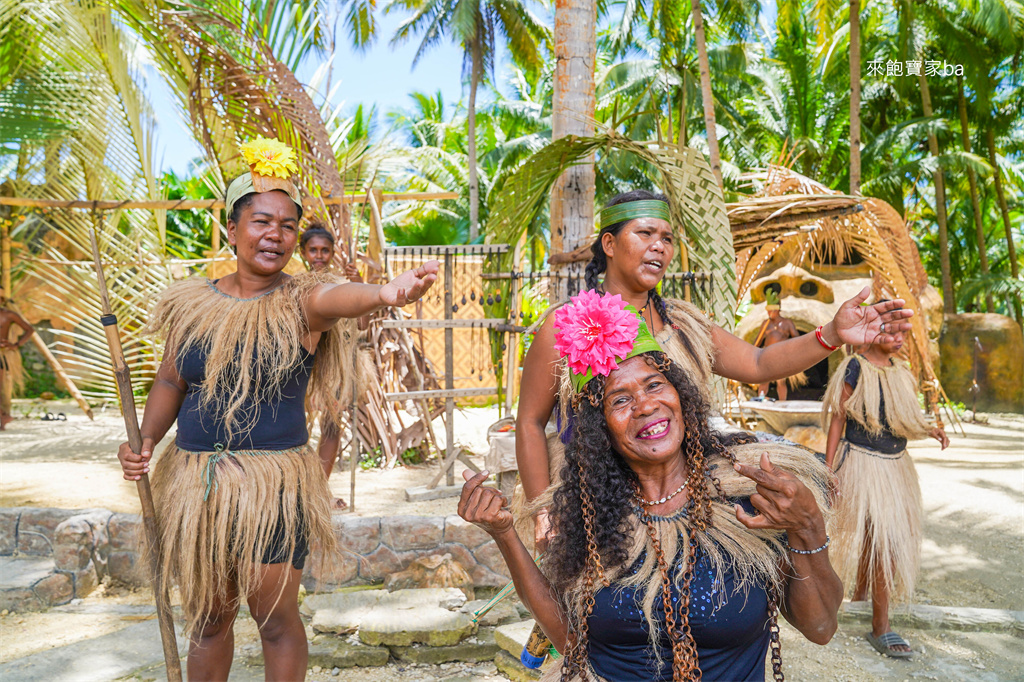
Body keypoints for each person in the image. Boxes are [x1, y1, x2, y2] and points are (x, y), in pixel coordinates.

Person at [115, 137, 438, 680]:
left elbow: (340, 297)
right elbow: (171, 378)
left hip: (274, 485)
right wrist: (145, 440)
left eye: (288, 225)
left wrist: (383, 293)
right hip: (197, 482)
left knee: (274, 619)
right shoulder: (191, 302)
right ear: (231, 229)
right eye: (262, 221)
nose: (276, 235)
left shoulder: (302, 300)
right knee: (209, 620)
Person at [460, 291, 842, 681]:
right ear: (599, 428)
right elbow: (573, 641)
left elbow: (821, 628)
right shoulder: (589, 515)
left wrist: (807, 523)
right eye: (620, 400)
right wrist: (505, 534)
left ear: (681, 394)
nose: (644, 405)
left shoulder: (747, 497)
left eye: (655, 386)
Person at [515, 190, 915, 553]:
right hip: (596, 502)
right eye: (645, 233)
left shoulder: (684, 325)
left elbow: (759, 364)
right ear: (609, 243)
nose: (660, 246)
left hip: (681, 499)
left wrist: (830, 333)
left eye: (667, 238)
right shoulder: (568, 326)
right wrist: (543, 511)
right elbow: (530, 422)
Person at [822, 328, 948, 659]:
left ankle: (863, 599)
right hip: (862, 462)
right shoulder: (855, 367)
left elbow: (904, 419)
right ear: (874, 331)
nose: (899, 337)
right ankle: (881, 626)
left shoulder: (901, 372)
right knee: (883, 540)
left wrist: (929, 428)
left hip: (895, 465)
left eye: (903, 332)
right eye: (890, 330)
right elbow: (838, 417)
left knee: (882, 539)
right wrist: (829, 467)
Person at [299, 223, 369, 509]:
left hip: (335, 369)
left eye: (324, 250)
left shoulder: (343, 284)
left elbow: (362, 324)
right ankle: (299, 491)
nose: (319, 256)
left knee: (331, 428)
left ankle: (318, 493)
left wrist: (359, 286)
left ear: (332, 253)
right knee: (296, 430)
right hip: (301, 367)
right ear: (303, 252)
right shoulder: (292, 284)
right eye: (313, 250)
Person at [754, 289, 805, 401]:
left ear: (777, 310)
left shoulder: (787, 323)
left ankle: (782, 402)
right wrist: (751, 351)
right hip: (766, 354)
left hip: (781, 355)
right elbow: (758, 341)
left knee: (780, 381)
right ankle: (760, 400)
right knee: (764, 379)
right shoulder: (765, 324)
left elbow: (796, 338)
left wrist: (793, 351)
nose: (769, 313)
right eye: (768, 311)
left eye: (771, 311)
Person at [0, 289, 35, 429]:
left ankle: (3, 417)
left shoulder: (8, 315)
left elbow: (29, 329)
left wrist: (16, 345)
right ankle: (3, 416)